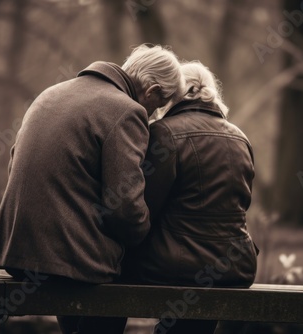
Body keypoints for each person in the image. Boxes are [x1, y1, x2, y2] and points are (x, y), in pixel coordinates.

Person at [0, 44, 184, 334]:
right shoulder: (126, 111)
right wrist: (147, 236)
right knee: (126, 273)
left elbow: (15, 164)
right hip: (66, 259)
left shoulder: (51, 93)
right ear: (152, 91)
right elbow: (125, 208)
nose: (154, 116)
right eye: (160, 104)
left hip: (17, 250)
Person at [124, 61, 258, 334]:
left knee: (105, 267)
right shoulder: (240, 137)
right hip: (237, 267)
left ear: (172, 94)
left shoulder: (163, 133)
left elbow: (145, 208)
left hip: (175, 266)